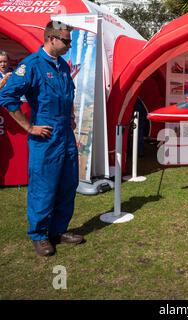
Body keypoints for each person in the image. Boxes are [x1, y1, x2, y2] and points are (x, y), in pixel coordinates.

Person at [0, 21, 84, 257]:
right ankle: (39, 235)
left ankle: (58, 230)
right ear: (51, 40)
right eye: (66, 41)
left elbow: (69, 93)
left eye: (70, 41)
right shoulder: (32, 65)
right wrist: (29, 127)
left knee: (68, 185)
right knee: (43, 187)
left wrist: (71, 115)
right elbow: (6, 96)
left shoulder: (63, 67)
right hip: (46, 136)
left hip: (65, 135)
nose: (70, 45)